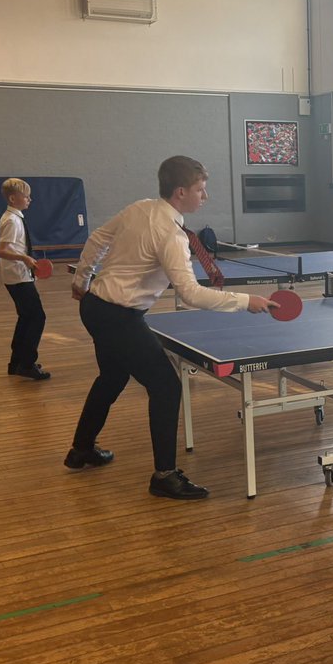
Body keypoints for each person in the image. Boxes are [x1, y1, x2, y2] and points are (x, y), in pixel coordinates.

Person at [66, 156, 276, 500]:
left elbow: (96, 239)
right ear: (181, 192)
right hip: (119, 316)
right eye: (200, 190)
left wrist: (81, 279)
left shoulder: (139, 208)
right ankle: (164, 476)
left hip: (95, 307)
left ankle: (81, 450)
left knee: (112, 377)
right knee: (166, 386)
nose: (205, 196)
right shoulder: (172, 236)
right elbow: (191, 294)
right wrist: (245, 301)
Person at [0, 178, 50, 381]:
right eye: (26, 196)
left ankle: (16, 363)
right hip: (18, 277)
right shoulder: (11, 221)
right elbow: (2, 251)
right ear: (13, 198)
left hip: (19, 274)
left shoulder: (14, 218)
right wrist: (25, 258)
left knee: (26, 317)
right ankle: (27, 365)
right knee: (37, 317)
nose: (30, 199)